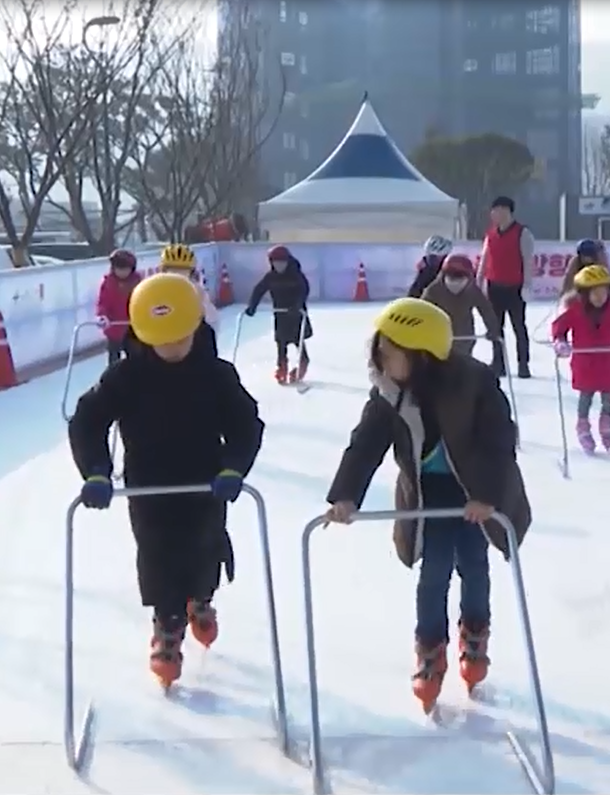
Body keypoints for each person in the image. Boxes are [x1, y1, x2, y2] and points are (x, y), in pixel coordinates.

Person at [320, 298, 531, 713]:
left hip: (474, 492)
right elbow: (365, 444)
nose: (382, 363)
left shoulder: (473, 382)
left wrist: (486, 496)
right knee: (433, 571)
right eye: (379, 354)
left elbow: (499, 441)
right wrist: (344, 494)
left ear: (422, 358)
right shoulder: (388, 393)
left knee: (473, 563)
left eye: (391, 355)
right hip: (426, 493)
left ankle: (474, 633)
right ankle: (430, 648)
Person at [68, 272, 265, 687]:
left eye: (180, 338)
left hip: (206, 480)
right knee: (156, 551)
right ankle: (167, 624)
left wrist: (234, 466)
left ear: (196, 325)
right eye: (162, 341)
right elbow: (87, 421)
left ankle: (201, 600)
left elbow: (246, 424)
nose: (172, 349)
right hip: (148, 483)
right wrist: (96, 471)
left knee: (204, 546)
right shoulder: (126, 377)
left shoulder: (216, 374)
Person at [551, 265, 610, 454]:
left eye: (603, 292)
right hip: (585, 363)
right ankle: (583, 427)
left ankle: (606, 425)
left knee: (609, 397)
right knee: (586, 397)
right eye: (595, 293)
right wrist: (560, 342)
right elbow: (559, 327)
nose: (600, 297)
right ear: (584, 294)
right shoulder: (575, 311)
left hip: (607, 362)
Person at [478, 197, 537, 379]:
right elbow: (485, 258)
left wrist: (527, 285)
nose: (493, 214)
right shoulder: (491, 234)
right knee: (496, 327)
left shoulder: (522, 233)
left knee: (518, 326)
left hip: (515, 287)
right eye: (493, 211)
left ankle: (523, 364)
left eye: (497, 210)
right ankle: (499, 363)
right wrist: (479, 280)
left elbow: (527, 260)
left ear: (506, 211)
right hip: (494, 286)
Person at [421, 254, 504, 375]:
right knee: (441, 370)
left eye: (460, 276)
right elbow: (421, 313)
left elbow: (486, 310)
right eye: (452, 275)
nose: (456, 280)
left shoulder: (472, 289)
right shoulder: (433, 290)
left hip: (464, 338)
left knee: (462, 370)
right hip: (439, 338)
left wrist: (493, 329)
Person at [244, 245, 314, 385]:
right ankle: (281, 366)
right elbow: (259, 290)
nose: (279, 266)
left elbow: (304, 290)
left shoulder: (296, 275)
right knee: (280, 341)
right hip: (280, 314)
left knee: (297, 339)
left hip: (296, 313)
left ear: (287, 262)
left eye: (282, 263)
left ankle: (302, 362)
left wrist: (298, 304)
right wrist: (252, 306)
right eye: (275, 263)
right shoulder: (271, 277)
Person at [154, 243, 220, 356]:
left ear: (191, 272)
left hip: (194, 347)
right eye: (173, 271)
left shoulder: (197, 291)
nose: (178, 276)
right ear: (163, 271)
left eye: (183, 271)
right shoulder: (154, 291)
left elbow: (211, 321)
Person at [95, 249, 140, 365]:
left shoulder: (137, 283)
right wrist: (102, 316)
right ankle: (113, 376)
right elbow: (103, 302)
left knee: (136, 355)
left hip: (133, 328)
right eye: (118, 269)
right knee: (114, 357)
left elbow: (143, 300)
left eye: (125, 269)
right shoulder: (108, 283)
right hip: (114, 328)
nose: (122, 272)